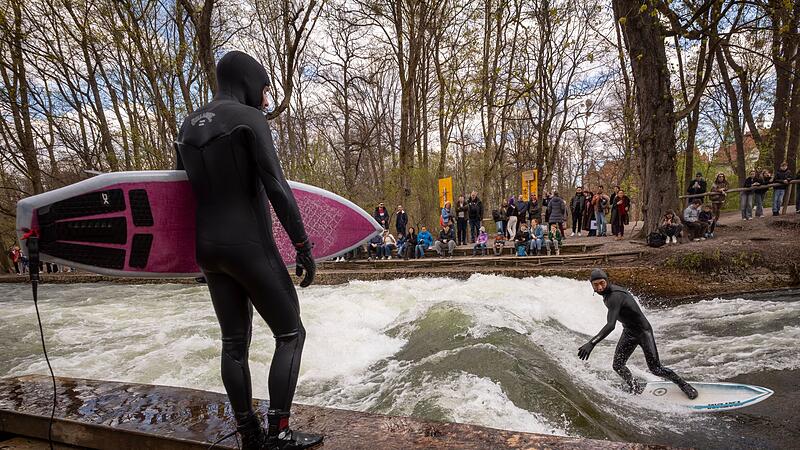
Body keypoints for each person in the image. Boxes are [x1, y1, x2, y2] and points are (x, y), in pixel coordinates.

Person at [175, 51, 321, 449]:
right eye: (265, 89)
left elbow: (178, 195)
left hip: (209, 251)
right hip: (249, 245)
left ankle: (249, 434)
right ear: (248, 81)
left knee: (233, 344)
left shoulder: (188, 126)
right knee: (291, 333)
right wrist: (303, 246)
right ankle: (280, 432)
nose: (267, 98)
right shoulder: (249, 119)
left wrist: (185, 258)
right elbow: (276, 186)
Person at [578, 269, 698, 399]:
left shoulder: (614, 296)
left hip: (643, 331)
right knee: (618, 365)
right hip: (629, 331)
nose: (600, 287)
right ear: (591, 285)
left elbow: (610, 325)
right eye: (596, 285)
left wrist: (591, 343)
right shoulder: (607, 295)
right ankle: (635, 387)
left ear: (607, 280)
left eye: (602, 283)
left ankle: (684, 385)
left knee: (656, 368)